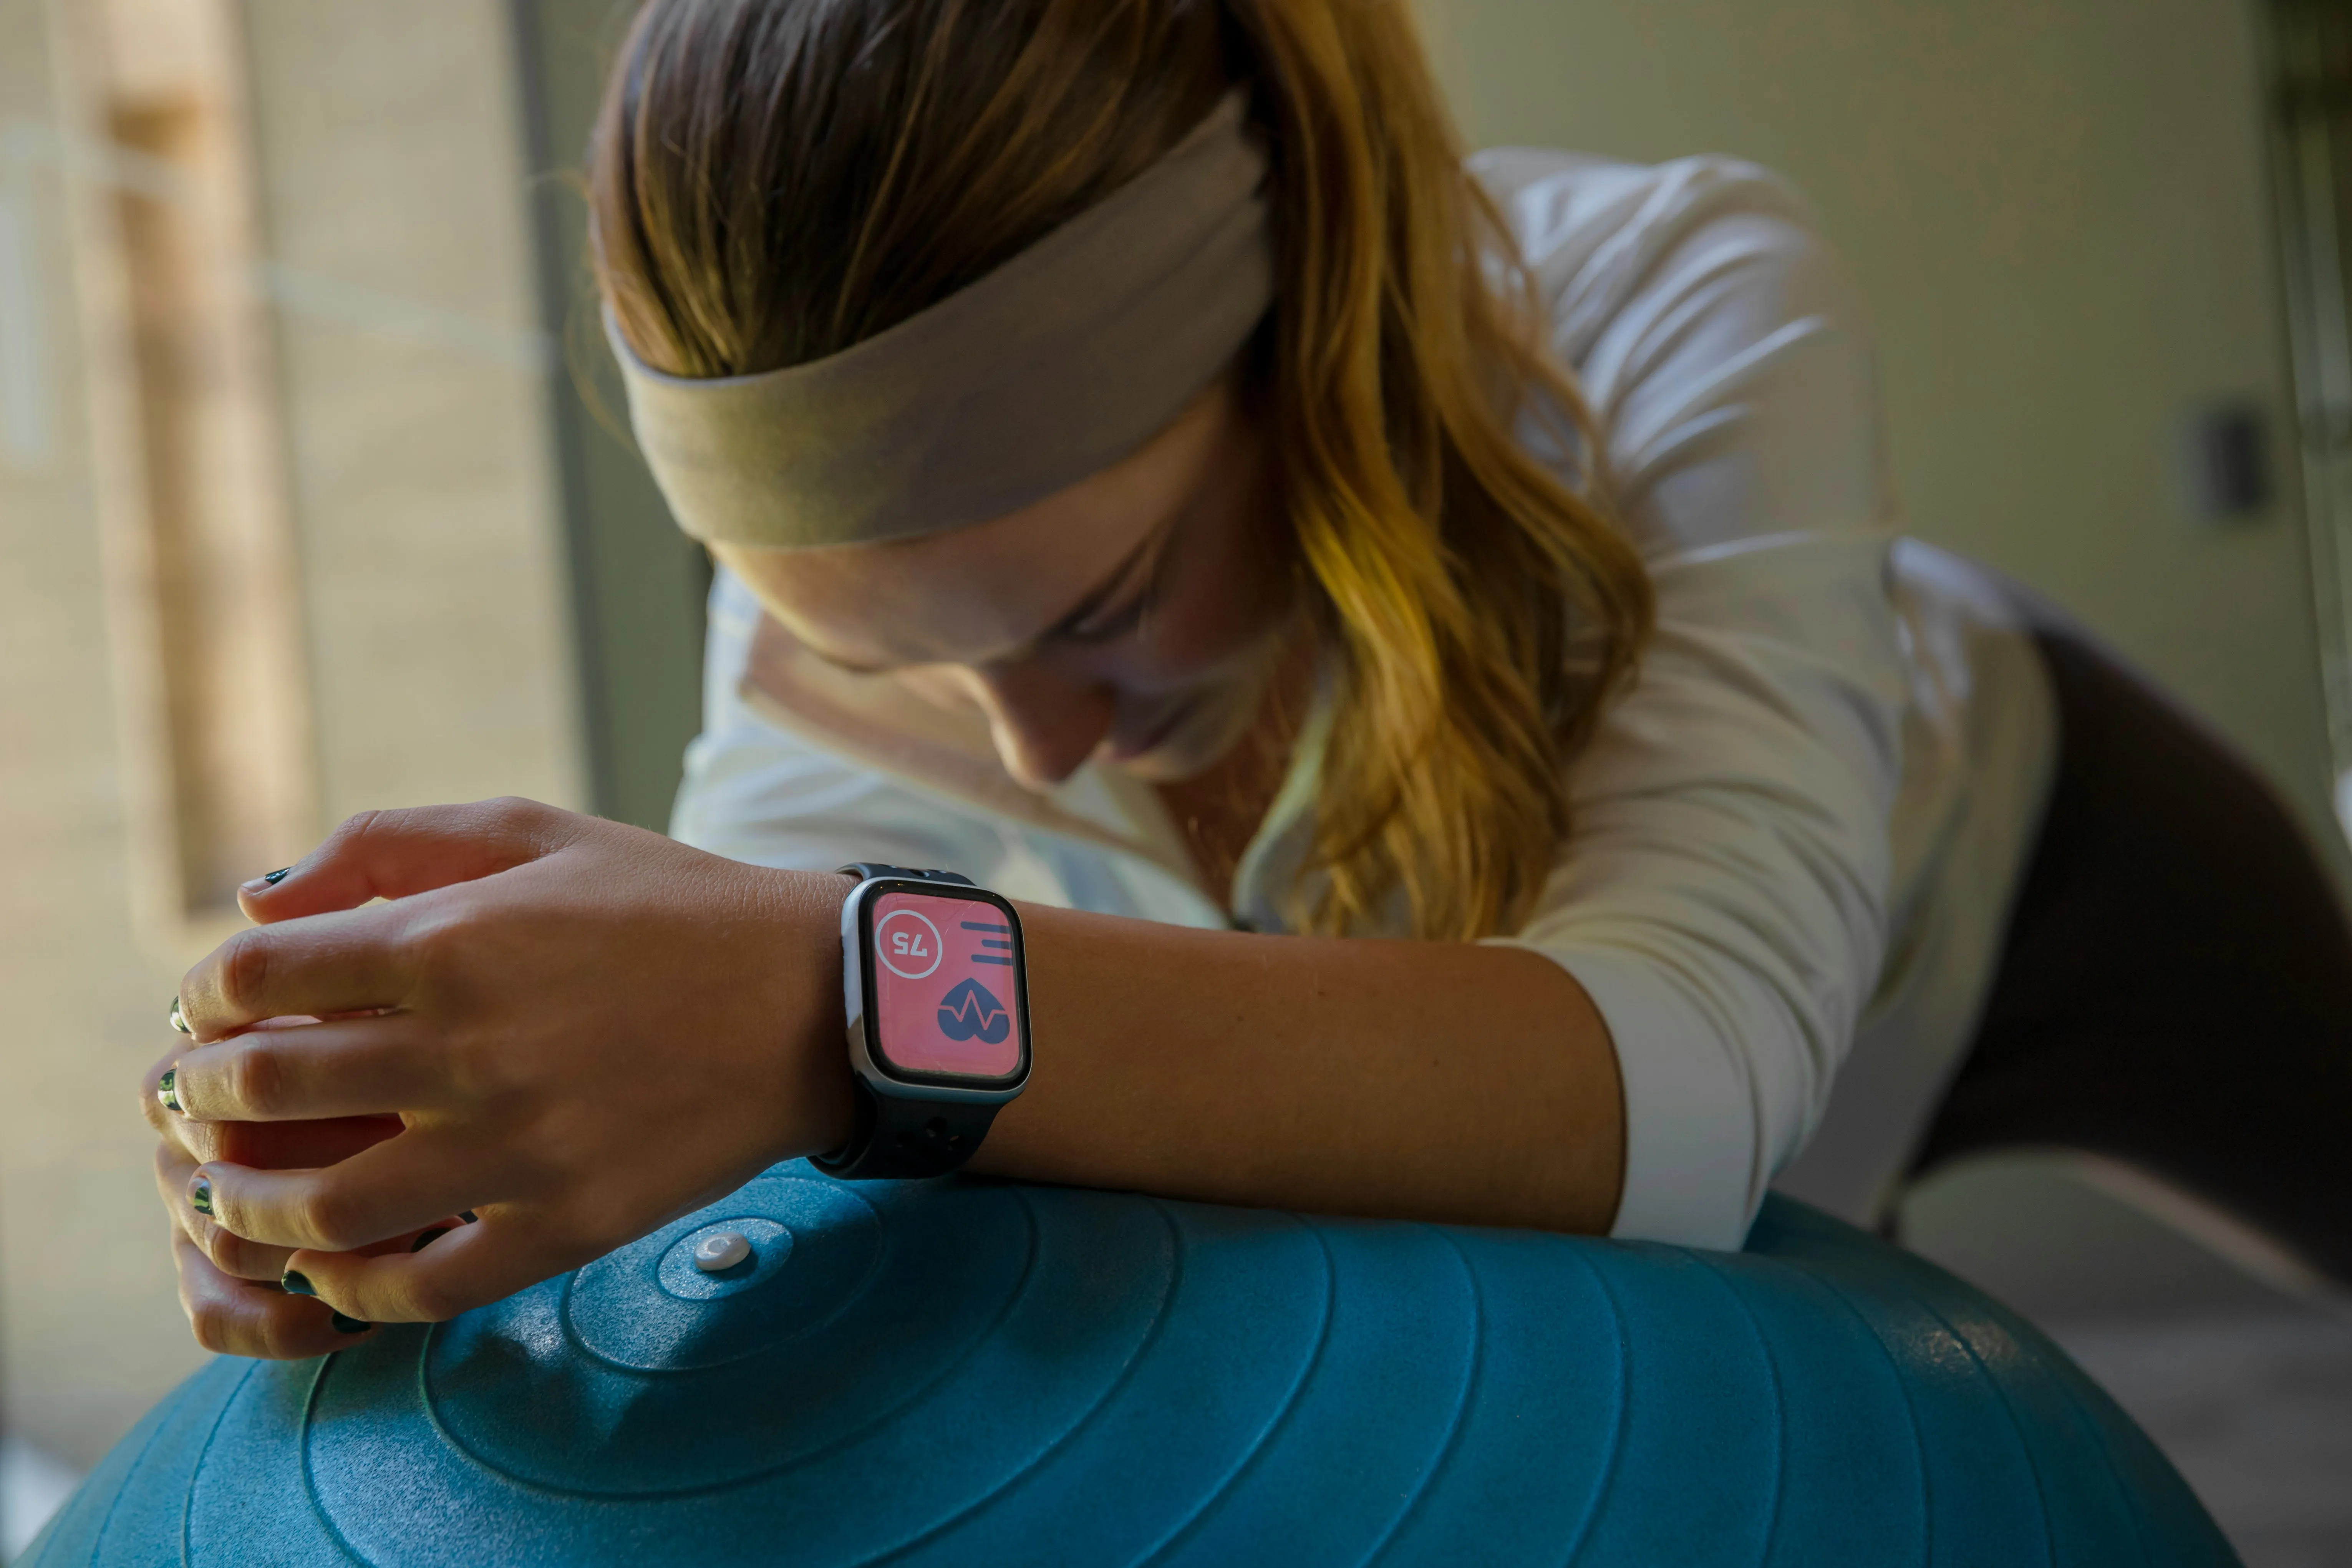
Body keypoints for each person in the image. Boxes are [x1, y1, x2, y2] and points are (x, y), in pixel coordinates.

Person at [144, 0, 2352, 1361]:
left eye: (1096, 611)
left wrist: (841, 992)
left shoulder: (1683, 283)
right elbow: (773, 1111)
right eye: (879, 652)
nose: (1024, 743)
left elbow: (1682, 1081)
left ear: (1309, 349)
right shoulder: (866, 596)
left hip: (2019, 870)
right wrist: (419, 1170)